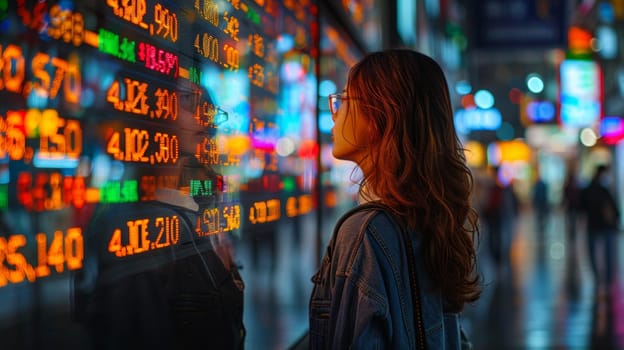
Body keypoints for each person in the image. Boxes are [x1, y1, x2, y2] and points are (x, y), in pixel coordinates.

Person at [309, 49, 481, 349]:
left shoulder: (365, 232)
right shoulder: (428, 218)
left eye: (345, 100)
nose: (334, 112)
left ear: (379, 116)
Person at [580, 164, 621, 296]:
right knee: (606, 253)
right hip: (601, 226)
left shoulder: (596, 189)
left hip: (596, 226)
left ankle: (601, 278)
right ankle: (605, 279)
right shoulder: (601, 190)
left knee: (598, 253)